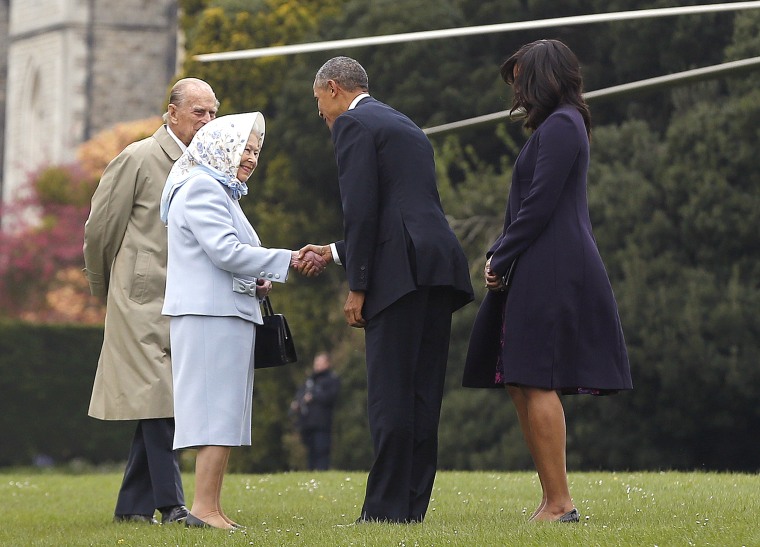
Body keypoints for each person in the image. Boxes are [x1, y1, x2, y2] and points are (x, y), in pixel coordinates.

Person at [462, 39, 633, 523]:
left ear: (542, 77)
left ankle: (560, 503)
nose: (515, 89)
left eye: (519, 79)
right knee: (520, 378)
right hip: (538, 262)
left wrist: (499, 253)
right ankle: (550, 499)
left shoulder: (562, 126)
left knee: (536, 378)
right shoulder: (557, 127)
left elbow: (539, 204)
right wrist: (506, 253)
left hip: (554, 266)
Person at [304, 56, 474, 523]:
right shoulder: (405, 125)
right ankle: (411, 507)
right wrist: (338, 252)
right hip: (437, 268)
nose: (322, 115)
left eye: (320, 104)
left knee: (390, 396)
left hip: (398, 277)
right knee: (422, 395)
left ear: (334, 88)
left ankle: (382, 512)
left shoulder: (354, 125)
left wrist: (357, 286)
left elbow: (362, 211)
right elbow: (402, 210)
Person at [160, 112, 325, 530]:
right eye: (244, 148)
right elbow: (225, 251)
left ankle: (209, 507)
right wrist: (287, 258)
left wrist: (257, 281)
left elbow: (223, 259)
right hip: (208, 315)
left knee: (225, 410)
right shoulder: (201, 187)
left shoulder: (220, 190)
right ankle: (203, 509)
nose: (250, 157)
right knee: (215, 410)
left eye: (255, 150)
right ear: (220, 146)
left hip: (223, 311)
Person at [84, 78, 219, 525]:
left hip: (187, 299)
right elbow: (100, 231)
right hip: (139, 301)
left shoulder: (207, 167)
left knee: (161, 400)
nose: (207, 121)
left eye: (213, 113)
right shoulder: (138, 158)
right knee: (162, 402)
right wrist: (107, 292)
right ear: (172, 112)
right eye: (199, 112)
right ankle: (172, 504)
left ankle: (132, 508)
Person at [290, 352, 341, 470]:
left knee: (321, 450)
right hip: (307, 423)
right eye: (316, 362)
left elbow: (331, 397)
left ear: (327, 363)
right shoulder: (310, 380)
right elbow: (301, 394)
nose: (317, 365)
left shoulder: (331, 379)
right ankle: (311, 473)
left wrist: (314, 397)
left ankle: (322, 473)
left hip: (322, 423)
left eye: (320, 362)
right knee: (311, 452)